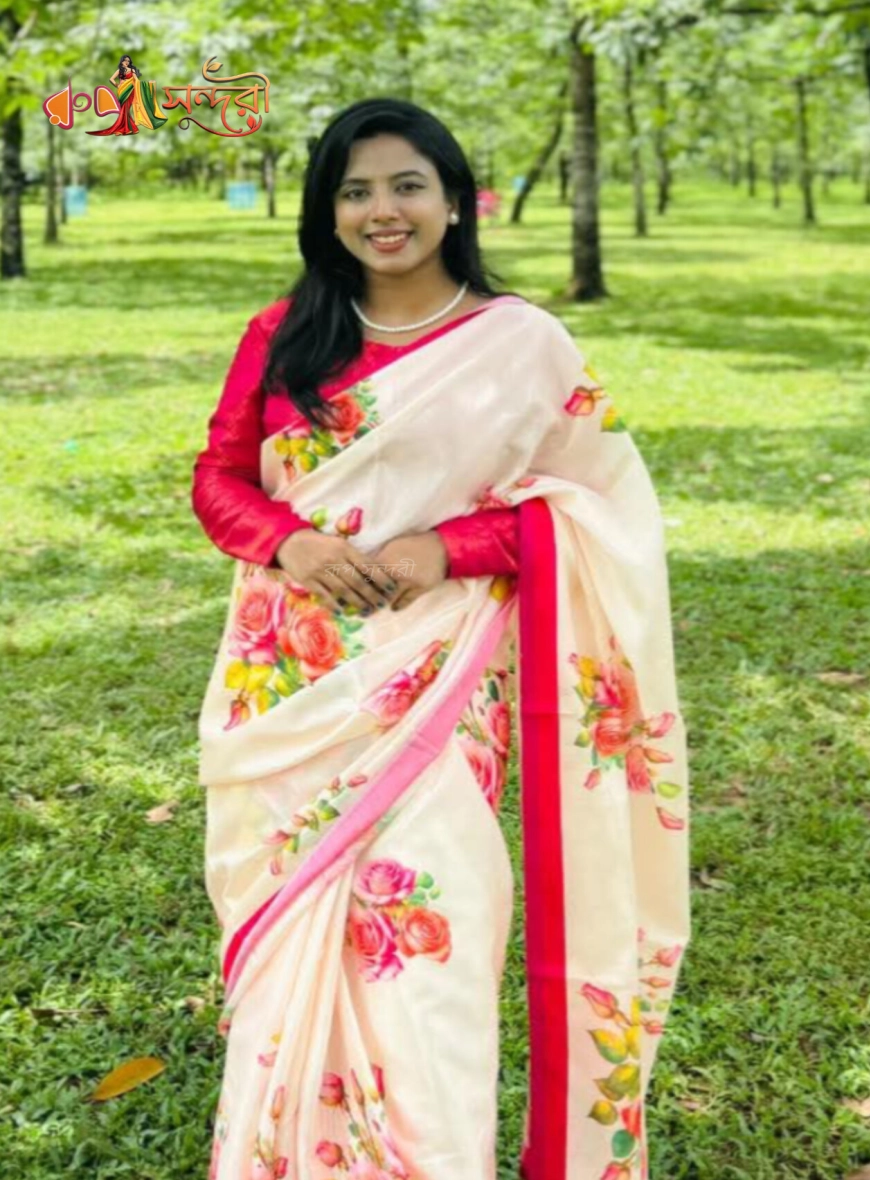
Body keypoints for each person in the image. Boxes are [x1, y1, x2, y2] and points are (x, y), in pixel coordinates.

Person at [191, 97, 691, 1180]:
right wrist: (290, 544)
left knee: (434, 931)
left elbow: (595, 505)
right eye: (356, 190)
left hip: (441, 681)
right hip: (286, 686)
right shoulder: (284, 336)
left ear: (454, 200)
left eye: (407, 185)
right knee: (291, 938)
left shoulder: (523, 344)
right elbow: (218, 480)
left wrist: (445, 548)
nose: (383, 211)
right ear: (326, 212)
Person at [87, 54, 167, 136]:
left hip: (130, 91)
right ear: (122, 61)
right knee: (123, 109)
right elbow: (111, 79)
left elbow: (136, 81)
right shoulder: (119, 70)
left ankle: (122, 129)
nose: (127, 62)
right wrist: (117, 85)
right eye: (125, 60)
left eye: (128, 61)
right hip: (122, 91)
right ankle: (130, 128)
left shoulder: (132, 70)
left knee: (125, 109)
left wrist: (147, 84)